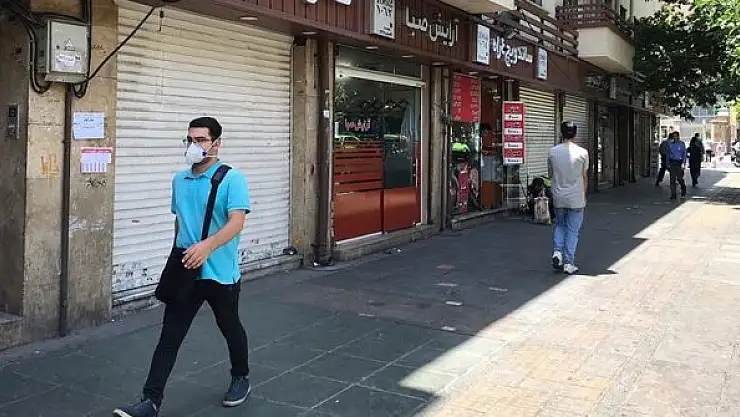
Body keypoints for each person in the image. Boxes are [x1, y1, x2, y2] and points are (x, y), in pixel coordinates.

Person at [113, 117, 252, 417]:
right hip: (187, 269)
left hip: (220, 272)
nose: (194, 145)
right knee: (170, 336)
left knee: (229, 326)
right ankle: (150, 401)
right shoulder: (180, 180)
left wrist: (207, 246)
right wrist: (177, 257)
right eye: (190, 140)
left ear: (216, 144)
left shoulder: (232, 179)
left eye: (201, 140)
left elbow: (237, 222)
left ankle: (241, 376)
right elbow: (181, 220)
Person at [549, 121, 589, 275]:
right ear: (575, 134)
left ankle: (557, 252)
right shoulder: (583, 153)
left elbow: (551, 174)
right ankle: (568, 263)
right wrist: (584, 195)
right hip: (576, 197)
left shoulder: (552, 152)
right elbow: (584, 177)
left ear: (561, 133)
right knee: (573, 231)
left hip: (558, 195)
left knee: (559, 225)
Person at [666, 131, 687, 200]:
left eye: (676, 136)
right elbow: (668, 154)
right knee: (672, 179)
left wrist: (683, 164)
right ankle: (673, 194)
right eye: (673, 136)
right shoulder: (670, 144)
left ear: (678, 136)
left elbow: (684, 154)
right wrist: (667, 164)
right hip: (672, 162)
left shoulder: (682, 144)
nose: (675, 138)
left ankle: (683, 189)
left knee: (680, 178)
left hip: (679, 163)